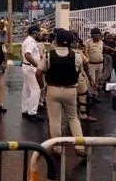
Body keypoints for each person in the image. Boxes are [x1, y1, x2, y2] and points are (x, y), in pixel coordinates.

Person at [36, 29, 86, 157]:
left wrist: (42, 87)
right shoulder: (77, 56)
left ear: (56, 40)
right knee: (73, 118)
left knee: (55, 120)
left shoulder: (48, 55)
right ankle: (80, 147)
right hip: (71, 91)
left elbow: (38, 73)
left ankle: (57, 148)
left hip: (53, 90)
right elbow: (79, 71)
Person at [70, 32, 98, 122]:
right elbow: (86, 62)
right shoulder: (78, 52)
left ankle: (71, 116)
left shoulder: (54, 52)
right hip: (78, 77)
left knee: (70, 98)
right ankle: (83, 115)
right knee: (83, 95)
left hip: (63, 79)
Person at [21, 25, 43, 121]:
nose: (40, 34)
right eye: (39, 32)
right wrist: (37, 65)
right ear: (34, 32)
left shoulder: (29, 40)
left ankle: (25, 110)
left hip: (27, 67)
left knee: (27, 89)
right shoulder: (30, 42)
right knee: (36, 89)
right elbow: (27, 55)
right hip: (30, 68)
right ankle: (32, 113)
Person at [85, 28, 104, 103]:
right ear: (91, 35)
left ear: (100, 35)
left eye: (97, 34)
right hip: (91, 65)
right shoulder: (87, 43)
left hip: (100, 64)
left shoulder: (101, 42)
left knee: (98, 80)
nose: (96, 36)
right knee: (91, 81)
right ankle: (89, 97)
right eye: (94, 34)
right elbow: (85, 53)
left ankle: (94, 96)